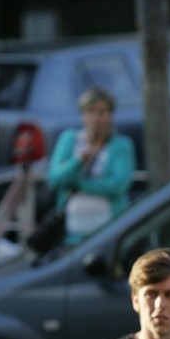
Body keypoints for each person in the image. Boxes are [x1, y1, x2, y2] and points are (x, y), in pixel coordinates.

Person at [47, 85, 135, 244]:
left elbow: (117, 185)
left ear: (110, 115)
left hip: (109, 230)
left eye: (101, 112)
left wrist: (79, 183)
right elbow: (54, 178)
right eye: (90, 112)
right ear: (83, 115)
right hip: (71, 232)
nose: (96, 118)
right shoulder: (69, 139)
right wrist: (78, 162)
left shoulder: (121, 145)